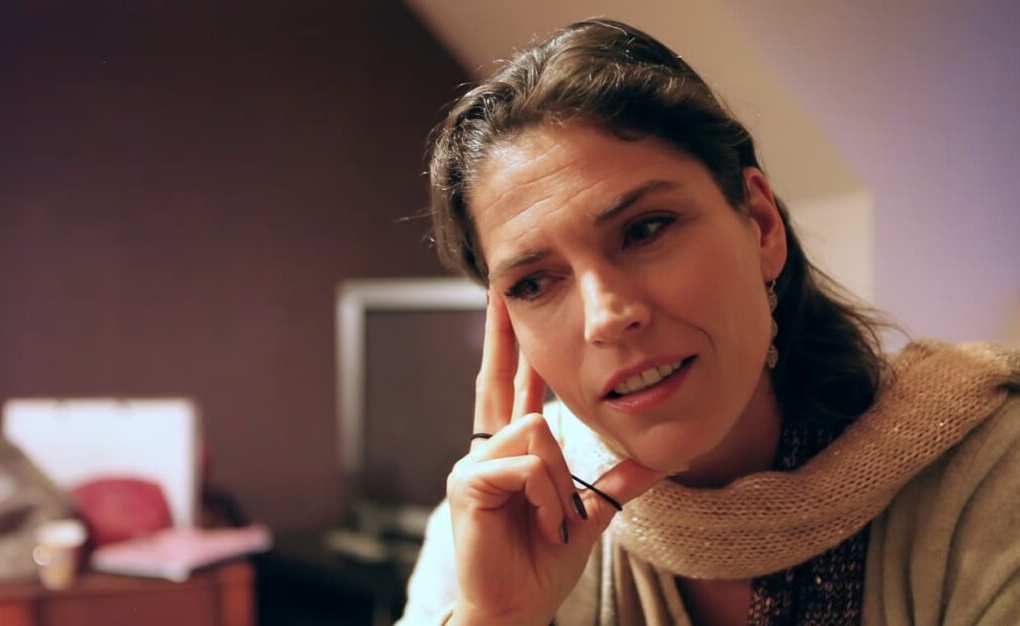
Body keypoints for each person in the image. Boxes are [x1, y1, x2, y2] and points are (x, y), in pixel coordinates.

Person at [397, 18, 1020, 626]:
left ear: (761, 225)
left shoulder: (986, 481)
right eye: (534, 284)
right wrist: (496, 617)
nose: (608, 317)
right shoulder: (500, 518)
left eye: (645, 230)